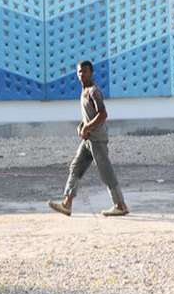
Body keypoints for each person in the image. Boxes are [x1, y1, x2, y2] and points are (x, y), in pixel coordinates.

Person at [47, 60, 130, 217]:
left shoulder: (93, 91)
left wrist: (87, 127)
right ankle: (67, 204)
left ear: (91, 73)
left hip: (97, 139)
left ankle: (121, 205)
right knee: (76, 167)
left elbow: (103, 114)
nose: (81, 74)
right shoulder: (84, 91)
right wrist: (82, 126)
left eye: (84, 71)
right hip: (88, 140)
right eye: (79, 72)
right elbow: (89, 116)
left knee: (106, 172)